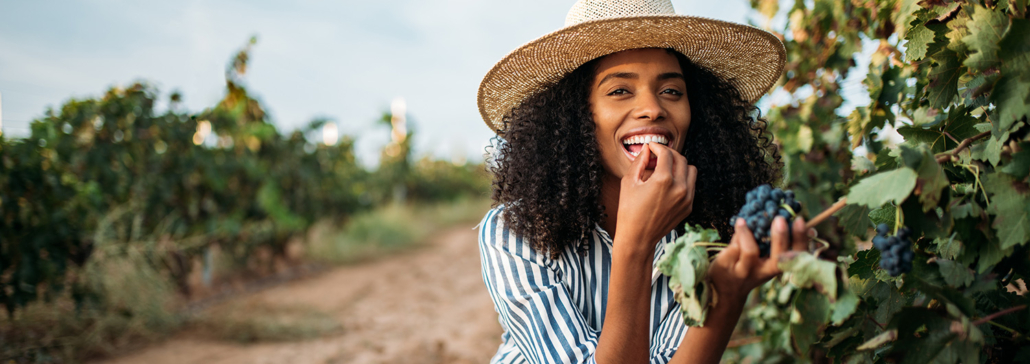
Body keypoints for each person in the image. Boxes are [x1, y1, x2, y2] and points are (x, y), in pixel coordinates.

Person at [476, 1, 811, 363]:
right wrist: (636, 243)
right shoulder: (514, 233)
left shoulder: (702, 239)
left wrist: (726, 298)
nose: (653, 108)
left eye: (672, 91)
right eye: (620, 91)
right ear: (575, 116)